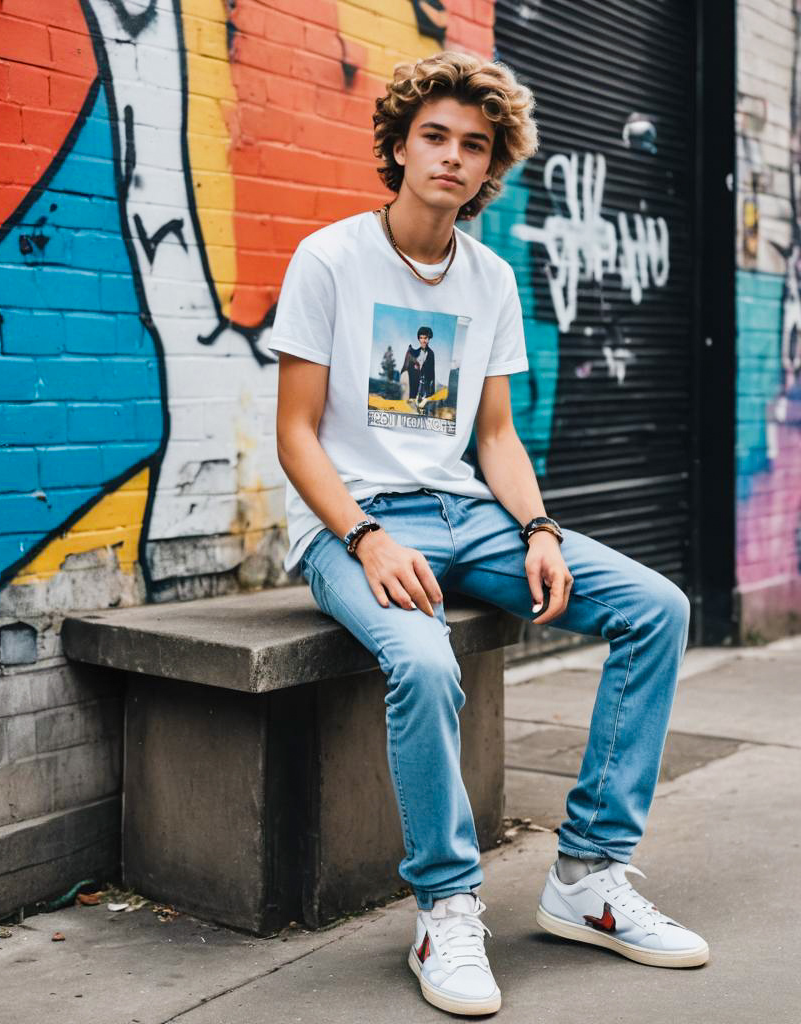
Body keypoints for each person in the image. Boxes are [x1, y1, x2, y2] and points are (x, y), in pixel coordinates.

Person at [269, 50, 708, 1018]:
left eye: (474, 144)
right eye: (434, 136)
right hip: (354, 525)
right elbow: (295, 431)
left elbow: (496, 434)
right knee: (423, 664)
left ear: (489, 165)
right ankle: (446, 904)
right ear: (397, 143)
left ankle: (588, 877)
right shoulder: (332, 257)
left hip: (469, 516)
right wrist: (368, 537)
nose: (453, 157)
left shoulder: (491, 279)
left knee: (654, 606)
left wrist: (539, 526)